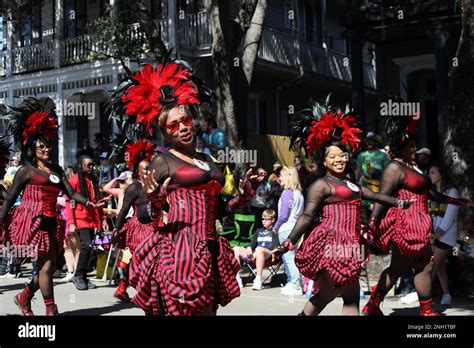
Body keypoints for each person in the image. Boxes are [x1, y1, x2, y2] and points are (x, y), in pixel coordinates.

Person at [105, 60, 260, 316]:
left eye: (186, 119)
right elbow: (145, 215)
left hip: (211, 247)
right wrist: (155, 201)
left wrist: (244, 196)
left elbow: (223, 209)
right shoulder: (162, 160)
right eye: (173, 125)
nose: (183, 127)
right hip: (180, 251)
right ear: (165, 133)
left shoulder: (208, 159)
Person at [273, 99, 415, 315]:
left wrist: (399, 202)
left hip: (350, 244)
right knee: (350, 296)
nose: (339, 159)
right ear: (324, 162)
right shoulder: (321, 185)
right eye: (333, 156)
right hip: (333, 244)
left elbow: (374, 195)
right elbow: (307, 216)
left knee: (327, 294)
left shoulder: (350, 184)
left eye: (342, 155)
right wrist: (288, 242)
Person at [0, 98, 106, 315]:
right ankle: (51, 310)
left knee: (48, 267)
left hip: (52, 222)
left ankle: (23, 297)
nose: (46, 149)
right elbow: (10, 198)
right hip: (31, 223)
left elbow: (71, 193)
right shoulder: (25, 171)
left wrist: (90, 201)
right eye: (42, 146)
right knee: (46, 267)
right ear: (33, 147)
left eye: (48, 145)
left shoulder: (56, 170)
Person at [362, 116, 471, 316]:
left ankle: (411, 309)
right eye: (411, 146)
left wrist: (457, 201)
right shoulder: (394, 167)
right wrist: (372, 221)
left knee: (416, 266)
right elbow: (382, 196)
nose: (415, 149)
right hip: (406, 223)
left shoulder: (414, 168)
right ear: (401, 147)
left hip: (420, 223)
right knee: (412, 266)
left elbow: (431, 194)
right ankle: (385, 306)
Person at [111, 139, 157, 302]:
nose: (148, 171)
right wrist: (116, 228)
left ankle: (125, 287)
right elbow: (123, 209)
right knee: (141, 259)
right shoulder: (134, 187)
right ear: (137, 171)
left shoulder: (156, 186)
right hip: (139, 228)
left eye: (150, 168)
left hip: (154, 227)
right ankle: (142, 291)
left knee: (149, 260)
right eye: (145, 169)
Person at [67, 155, 110, 291]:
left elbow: (98, 201)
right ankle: (78, 275)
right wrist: (72, 222)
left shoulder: (93, 181)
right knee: (87, 245)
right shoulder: (74, 180)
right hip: (80, 218)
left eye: (92, 165)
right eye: (88, 165)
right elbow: (70, 202)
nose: (91, 167)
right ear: (81, 166)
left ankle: (83, 277)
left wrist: (103, 219)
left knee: (91, 248)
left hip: (92, 219)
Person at [429, 163, 460, 306]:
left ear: (441, 174)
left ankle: (422, 294)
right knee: (440, 267)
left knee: (433, 264)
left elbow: (449, 217)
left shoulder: (452, 192)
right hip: (433, 234)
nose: (430, 176)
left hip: (445, 236)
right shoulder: (432, 192)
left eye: (433, 172)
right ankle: (446, 294)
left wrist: (436, 235)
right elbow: (430, 215)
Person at [274, 166, 305, 296]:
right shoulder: (299, 193)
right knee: (295, 258)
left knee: (288, 258)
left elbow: (283, 215)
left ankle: (296, 285)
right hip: (298, 228)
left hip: (286, 228)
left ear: (288, 177)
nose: (279, 178)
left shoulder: (287, 193)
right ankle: (293, 282)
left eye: (281, 175)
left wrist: (276, 227)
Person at [233, 209, 279, 290]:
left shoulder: (274, 231)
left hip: (268, 254)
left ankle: (258, 280)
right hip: (256, 254)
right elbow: (252, 244)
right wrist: (249, 248)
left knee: (259, 249)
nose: (264, 221)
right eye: (263, 219)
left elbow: (275, 247)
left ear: (273, 220)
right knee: (236, 249)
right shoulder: (258, 231)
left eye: (267, 219)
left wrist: (257, 251)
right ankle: (237, 280)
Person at [57, 167, 80, 283]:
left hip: (71, 218)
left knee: (75, 246)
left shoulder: (73, 187)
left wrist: (56, 199)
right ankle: (70, 271)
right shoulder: (60, 188)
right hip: (63, 219)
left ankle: (77, 271)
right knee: (66, 246)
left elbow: (71, 202)